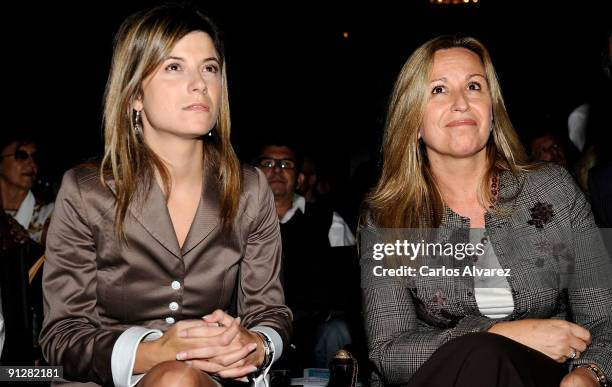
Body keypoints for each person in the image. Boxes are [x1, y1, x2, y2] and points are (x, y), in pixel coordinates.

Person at [39, 5, 291, 387]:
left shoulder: (249, 190)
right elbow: (62, 338)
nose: (199, 83)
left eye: (209, 67)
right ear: (134, 93)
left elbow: (270, 313)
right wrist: (157, 351)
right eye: (174, 67)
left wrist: (255, 345)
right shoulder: (87, 190)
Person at [361, 35, 612, 387]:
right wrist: (499, 334)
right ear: (413, 120)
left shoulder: (553, 190)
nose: (461, 103)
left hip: (542, 378)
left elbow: (605, 318)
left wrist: (590, 374)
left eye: (474, 86)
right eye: (438, 90)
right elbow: (389, 352)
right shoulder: (388, 217)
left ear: (492, 110)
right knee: (483, 355)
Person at [254, 142, 356, 369]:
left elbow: (350, 285)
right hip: (253, 325)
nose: (277, 170)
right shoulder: (235, 222)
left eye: (286, 164)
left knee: (338, 331)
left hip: (314, 328)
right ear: (253, 175)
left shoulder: (329, 221)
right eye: (268, 163)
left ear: (299, 179)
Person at [0, 133, 53, 365]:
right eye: (21, 155)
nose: (31, 163)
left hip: (35, 336)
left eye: (34, 157)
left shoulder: (52, 214)